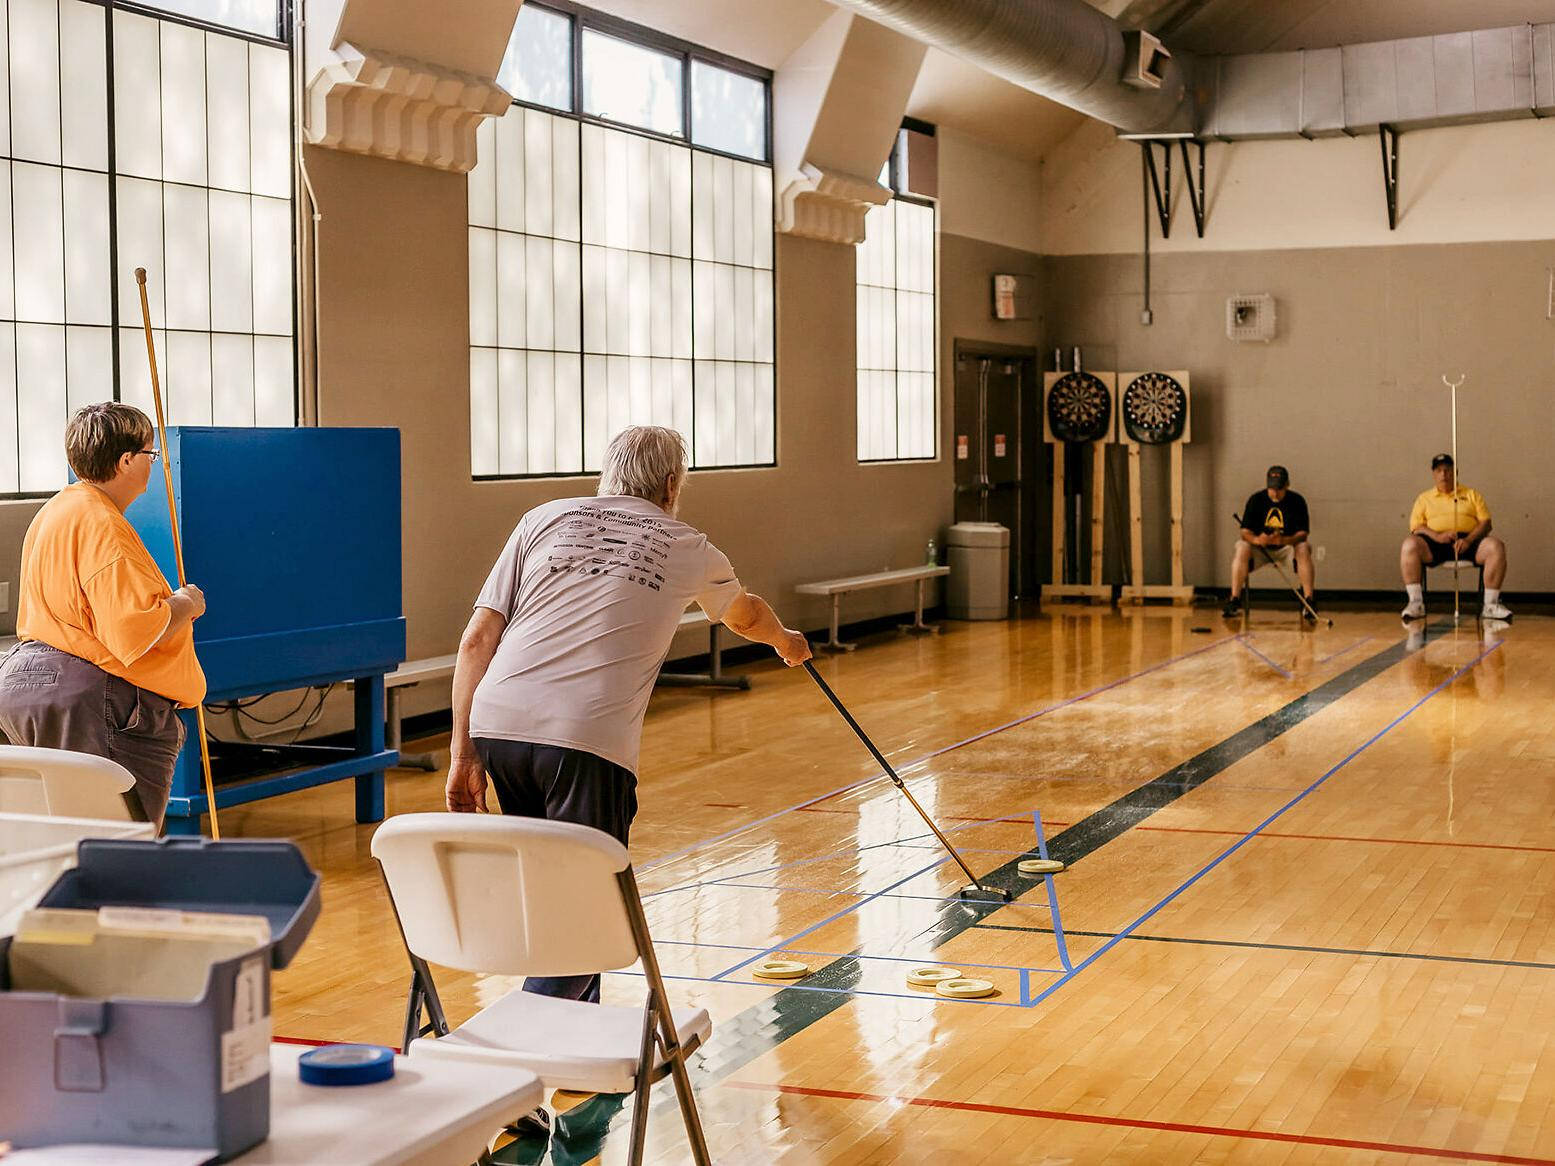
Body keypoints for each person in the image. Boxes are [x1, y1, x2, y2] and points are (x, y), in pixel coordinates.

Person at [446, 425, 811, 1004]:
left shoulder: (544, 517)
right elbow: (744, 616)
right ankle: (529, 1043)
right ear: (672, 484)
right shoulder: (686, 543)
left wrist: (464, 753)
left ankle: (574, 1047)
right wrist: (785, 641)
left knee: (554, 887)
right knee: (589, 901)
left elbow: (476, 641)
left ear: (608, 471)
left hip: (497, 725)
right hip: (584, 739)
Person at [0, 403, 206, 828]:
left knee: (56, 840)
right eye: (149, 455)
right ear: (127, 460)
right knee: (116, 842)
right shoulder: (103, 524)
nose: (152, 465)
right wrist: (185, 605)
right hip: (89, 692)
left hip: (22, 683)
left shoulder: (55, 512)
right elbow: (132, 631)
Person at [1400, 453, 1509, 621]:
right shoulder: (1424, 498)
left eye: (1448, 470)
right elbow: (1416, 527)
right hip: (1435, 543)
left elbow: (1486, 523)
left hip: (1468, 541)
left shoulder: (1472, 494)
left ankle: (1491, 605)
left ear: (1455, 472)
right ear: (1433, 474)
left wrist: (1469, 540)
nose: (1444, 474)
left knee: (1496, 546)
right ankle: (1416, 603)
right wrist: (1437, 536)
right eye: (1439, 471)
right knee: (1409, 545)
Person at [1221, 465, 1316, 622]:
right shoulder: (1256, 500)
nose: (1275, 493)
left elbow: (1303, 533)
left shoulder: (1297, 501)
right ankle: (1234, 599)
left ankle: (1309, 601)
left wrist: (1285, 540)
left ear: (1287, 485)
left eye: (1279, 489)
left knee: (1304, 547)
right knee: (1241, 546)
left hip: (1287, 548)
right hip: (1260, 549)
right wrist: (1258, 540)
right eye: (1272, 488)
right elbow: (1245, 532)